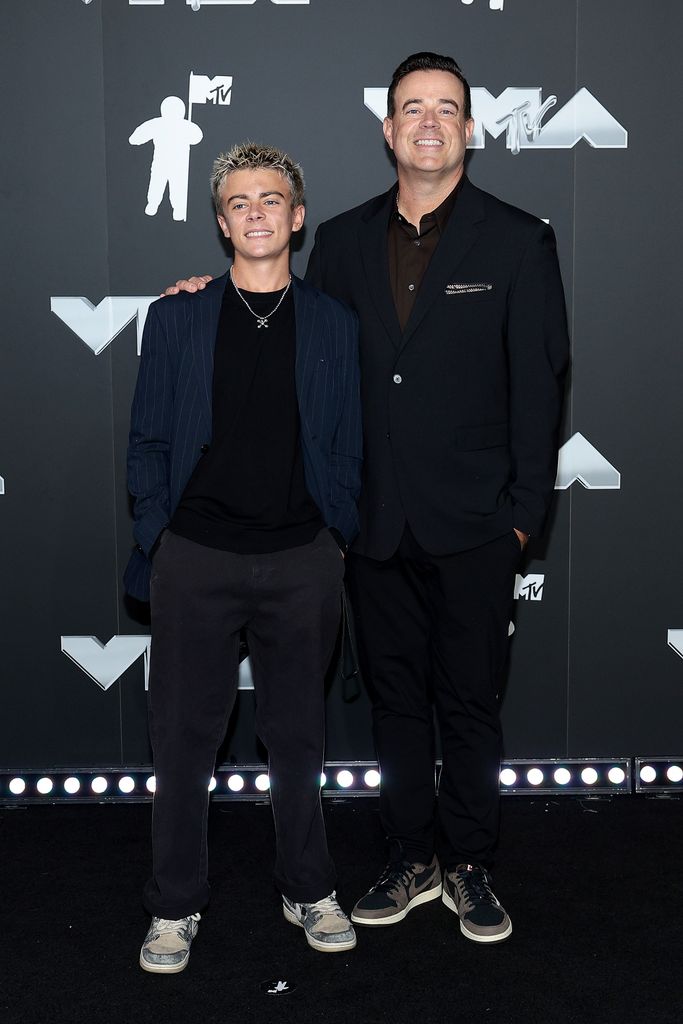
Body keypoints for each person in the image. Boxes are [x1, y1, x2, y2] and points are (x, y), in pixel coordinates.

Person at [165, 52, 570, 946]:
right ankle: (408, 854)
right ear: (387, 130)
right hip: (372, 523)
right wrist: (202, 297)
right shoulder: (341, 240)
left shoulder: (515, 239)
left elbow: (541, 388)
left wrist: (520, 522)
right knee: (392, 703)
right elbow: (283, 317)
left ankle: (467, 863)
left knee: (467, 702)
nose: (428, 121)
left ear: (468, 127)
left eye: (447, 108)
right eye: (411, 108)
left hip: (475, 524)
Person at [125, 141, 362, 973]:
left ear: (296, 218)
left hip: (302, 559)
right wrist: (160, 533)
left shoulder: (334, 323)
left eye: (271, 198)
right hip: (195, 557)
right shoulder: (177, 315)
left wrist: (337, 534)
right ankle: (174, 905)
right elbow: (148, 438)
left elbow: (348, 443)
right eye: (239, 200)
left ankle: (308, 885)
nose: (256, 210)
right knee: (183, 741)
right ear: (221, 222)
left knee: (298, 738)